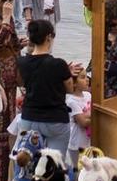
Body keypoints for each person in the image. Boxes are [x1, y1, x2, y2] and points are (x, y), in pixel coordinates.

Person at [13, 18, 79, 158]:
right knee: (54, 162)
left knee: (29, 161)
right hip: (55, 118)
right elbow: (70, 89)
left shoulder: (22, 62)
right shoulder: (58, 64)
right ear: (48, 37)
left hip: (29, 116)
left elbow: (21, 82)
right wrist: (66, 72)